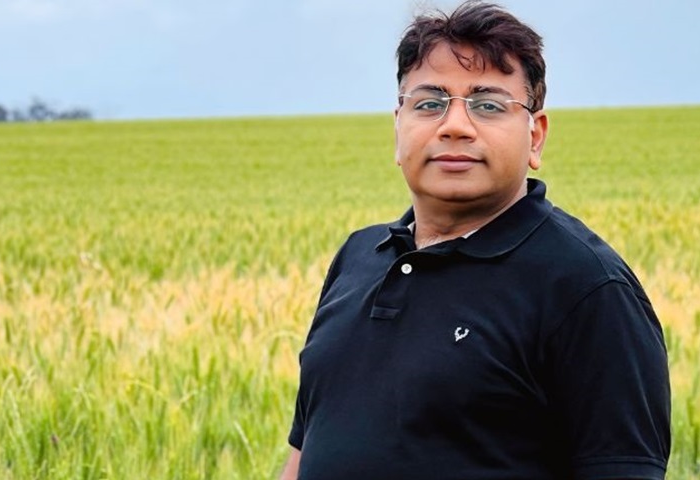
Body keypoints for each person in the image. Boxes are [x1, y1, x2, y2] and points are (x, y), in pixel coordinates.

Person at [279, 1, 671, 479]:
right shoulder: (358, 258)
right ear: (397, 126)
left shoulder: (587, 289)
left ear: (536, 136)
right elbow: (306, 449)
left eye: (488, 105)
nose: (455, 126)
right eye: (429, 103)